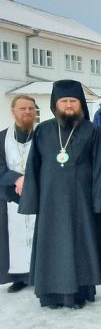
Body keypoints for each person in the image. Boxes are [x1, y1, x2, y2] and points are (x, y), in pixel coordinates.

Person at [19, 80, 101, 309]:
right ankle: (51, 295)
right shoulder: (43, 130)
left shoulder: (92, 130)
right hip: (50, 202)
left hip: (81, 201)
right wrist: (32, 200)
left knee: (80, 246)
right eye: (64, 101)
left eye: (73, 101)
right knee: (52, 246)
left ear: (81, 104)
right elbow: (33, 167)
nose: (69, 105)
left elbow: (100, 168)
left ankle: (78, 294)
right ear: (55, 104)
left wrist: (98, 202)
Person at [0, 95, 37, 293]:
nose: (28, 112)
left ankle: (39, 274)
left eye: (31, 108)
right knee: (14, 236)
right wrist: (16, 178)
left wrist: (31, 180)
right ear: (13, 110)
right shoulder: (1, 137)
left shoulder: (43, 135)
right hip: (11, 195)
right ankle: (19, 278)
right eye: (23, 108)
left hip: (38, 194)